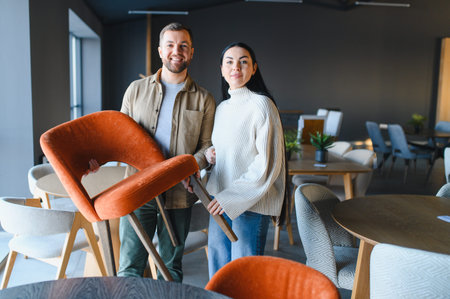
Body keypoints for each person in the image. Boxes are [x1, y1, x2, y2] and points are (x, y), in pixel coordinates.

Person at [118, 22, 215, 281]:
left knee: (171, 270)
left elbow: (207, 147)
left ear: (191, 52)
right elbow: (119, 139)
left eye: (183, 46)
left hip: (179, 195)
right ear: (160, 51)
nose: (176, 50)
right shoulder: (135, 90)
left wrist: (187, 166)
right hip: (137, 191)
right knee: (129, 269)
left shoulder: (204, 99)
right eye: (170, 45)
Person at [204, 42, 285, 278]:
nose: (235, 67)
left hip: (250, 203)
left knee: (243, 275)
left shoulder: (262, 105)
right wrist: (210, 154)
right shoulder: (222, 108)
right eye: (229, 61)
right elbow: (228, 149)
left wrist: (231, 198)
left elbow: (266, 165)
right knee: (218, 271)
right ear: (221, 69)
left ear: (253, 68)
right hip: (219, 199)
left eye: (243, 61)